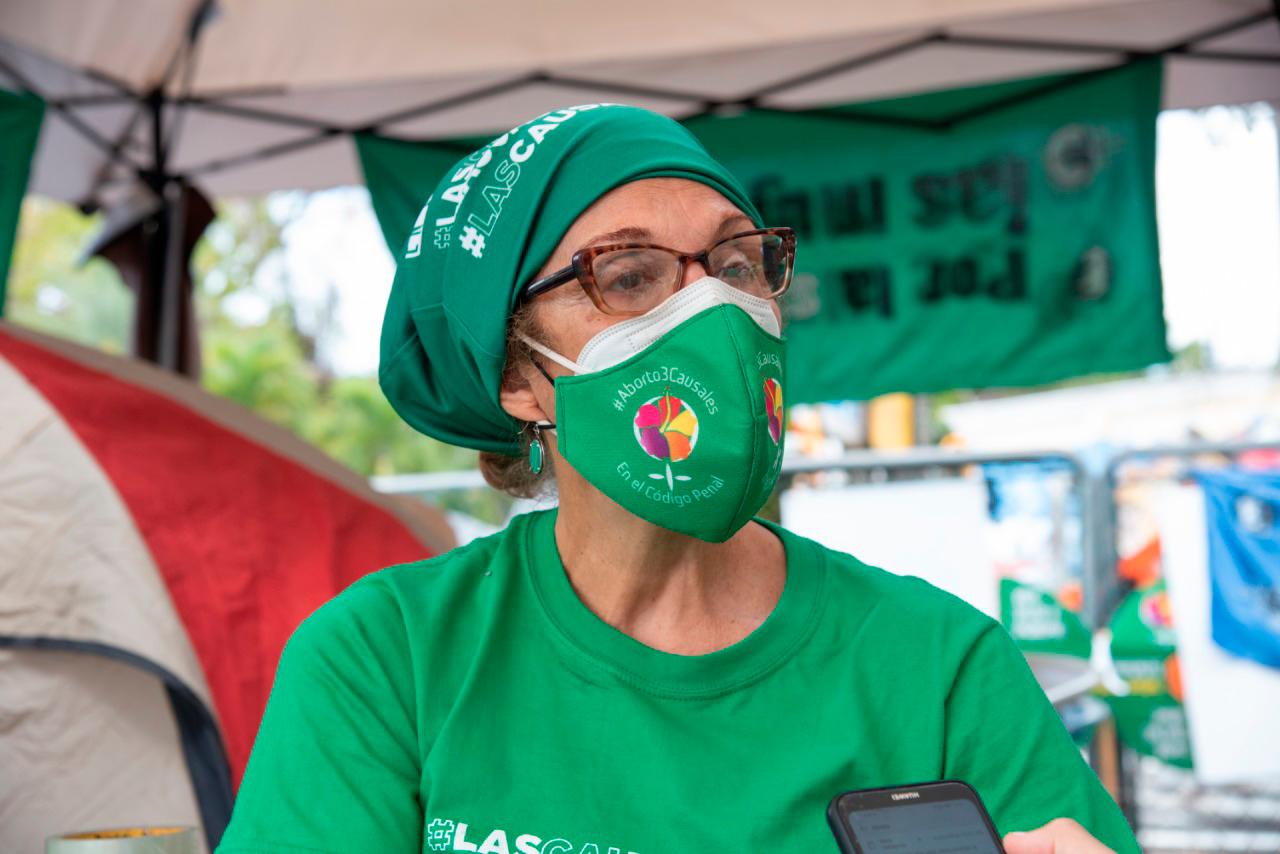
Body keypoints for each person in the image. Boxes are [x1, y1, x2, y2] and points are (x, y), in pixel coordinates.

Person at [216, 103, 1139, 854]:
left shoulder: (937, 664)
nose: (715, 308)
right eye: (627, 275)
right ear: (517, 376)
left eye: (739, 264)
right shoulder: (389, 661)